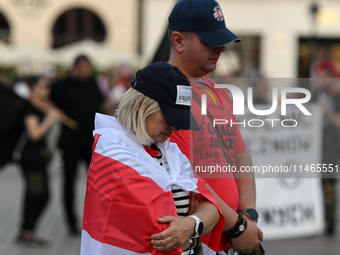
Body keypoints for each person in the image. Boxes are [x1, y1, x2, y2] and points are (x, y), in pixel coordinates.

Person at [80, 62, 224, 255]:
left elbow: (213, 207)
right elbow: (160, 233)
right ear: (140, 104)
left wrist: (190, 225)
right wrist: (196, 223)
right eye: (169, 116)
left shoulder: (169, 151)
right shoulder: (112, 150)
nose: (175, 127)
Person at [167, 0, 263, 254]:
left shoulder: (217, 91)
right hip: (197, 241)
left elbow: (240, 154)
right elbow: (184, 177)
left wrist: (248, 214)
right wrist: (238, 226)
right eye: (210, 41)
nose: (221, 48)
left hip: (228, 238)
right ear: (179, 41)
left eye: (221, 40)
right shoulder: (163, 96)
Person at [50, 55, 104, 235]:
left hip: (91, 142)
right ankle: (71, 222)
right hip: (70, 143)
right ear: (75, 68)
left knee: (96, 183)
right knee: (69, 183)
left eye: (88, 68)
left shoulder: (93, 84)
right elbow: (48, 101)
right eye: (83, 68)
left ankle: (96, 219)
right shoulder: (61, 85)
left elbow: (101, 104)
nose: (86, 71)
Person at [15, 76, 59, 247]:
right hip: (31, 158)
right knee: (37, 195)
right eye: (43, 87)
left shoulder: (39, 105)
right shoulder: (30, 108)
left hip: (37, 158)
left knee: (38, 194)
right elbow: (34, 134)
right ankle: (26, 231)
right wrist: (50, 118)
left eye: (48, 87)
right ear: (32, 87)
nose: (46, 90)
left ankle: (26, 231)